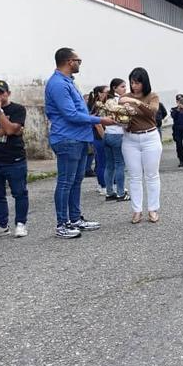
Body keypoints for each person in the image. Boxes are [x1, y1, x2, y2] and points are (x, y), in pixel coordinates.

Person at [45, 48, 115, 239]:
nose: (79, 64)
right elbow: (71, 114)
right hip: (68, 138)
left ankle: (75, 218)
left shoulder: (68, 82)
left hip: (78, 138)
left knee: (76, 181)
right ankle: (62, 224)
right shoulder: (59, 84)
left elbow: (77, 111)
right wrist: (100, 121)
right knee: (66, 182)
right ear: (69, 61)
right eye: (78, 60)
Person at [119, 67, 162, 224]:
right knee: (134, 176)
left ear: (144, 82)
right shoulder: (125, 97)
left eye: (137, 82)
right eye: (132, 82)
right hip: (130, 138)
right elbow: (120, 111)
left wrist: (136, 102)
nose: (134, 86)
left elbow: (152, 112)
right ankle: (136, 211)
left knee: (151, 175)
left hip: (150, 137)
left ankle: (153, 209)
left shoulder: (152, 96)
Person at [0, 80, 28, 239]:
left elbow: (12, 130)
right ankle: (1, 224)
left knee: (19, 193)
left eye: (1, 92)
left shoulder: (17, 109)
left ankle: (21, 223)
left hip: (14, 159)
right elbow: (10, 130)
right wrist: (6, 130)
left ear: (8, 93)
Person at [104, 78, 129, 201]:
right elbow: (123, 120)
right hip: (118, 135)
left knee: (109, 165)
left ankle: (109, 192)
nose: (125, 89)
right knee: (119, 164)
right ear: (115, 88)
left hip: (107, 134)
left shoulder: (106, 100)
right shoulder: (118, 101)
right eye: (122, 86)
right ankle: (120, 192)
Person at [86, 85, 109, 196]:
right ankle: (104, 186)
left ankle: (101, 184)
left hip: (95, 137)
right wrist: (105, 137)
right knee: (102, 162)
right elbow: (98, 124)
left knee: (100, 162)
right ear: (99, 94)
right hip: (99, 137)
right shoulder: (98, 106)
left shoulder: (93, 105)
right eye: (106, 92)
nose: (108, 94)